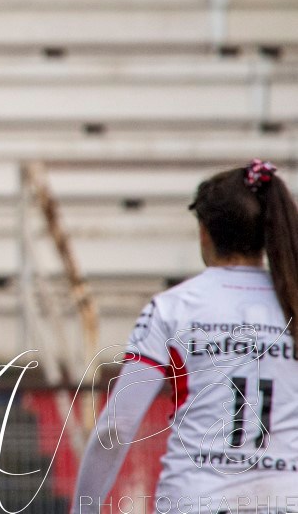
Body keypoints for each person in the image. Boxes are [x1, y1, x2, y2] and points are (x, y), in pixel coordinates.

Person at [69, 161, 298, 514]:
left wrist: (83, 508)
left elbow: (116, 426)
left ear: (204, 232)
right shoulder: (291, 303)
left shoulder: (173, 308)